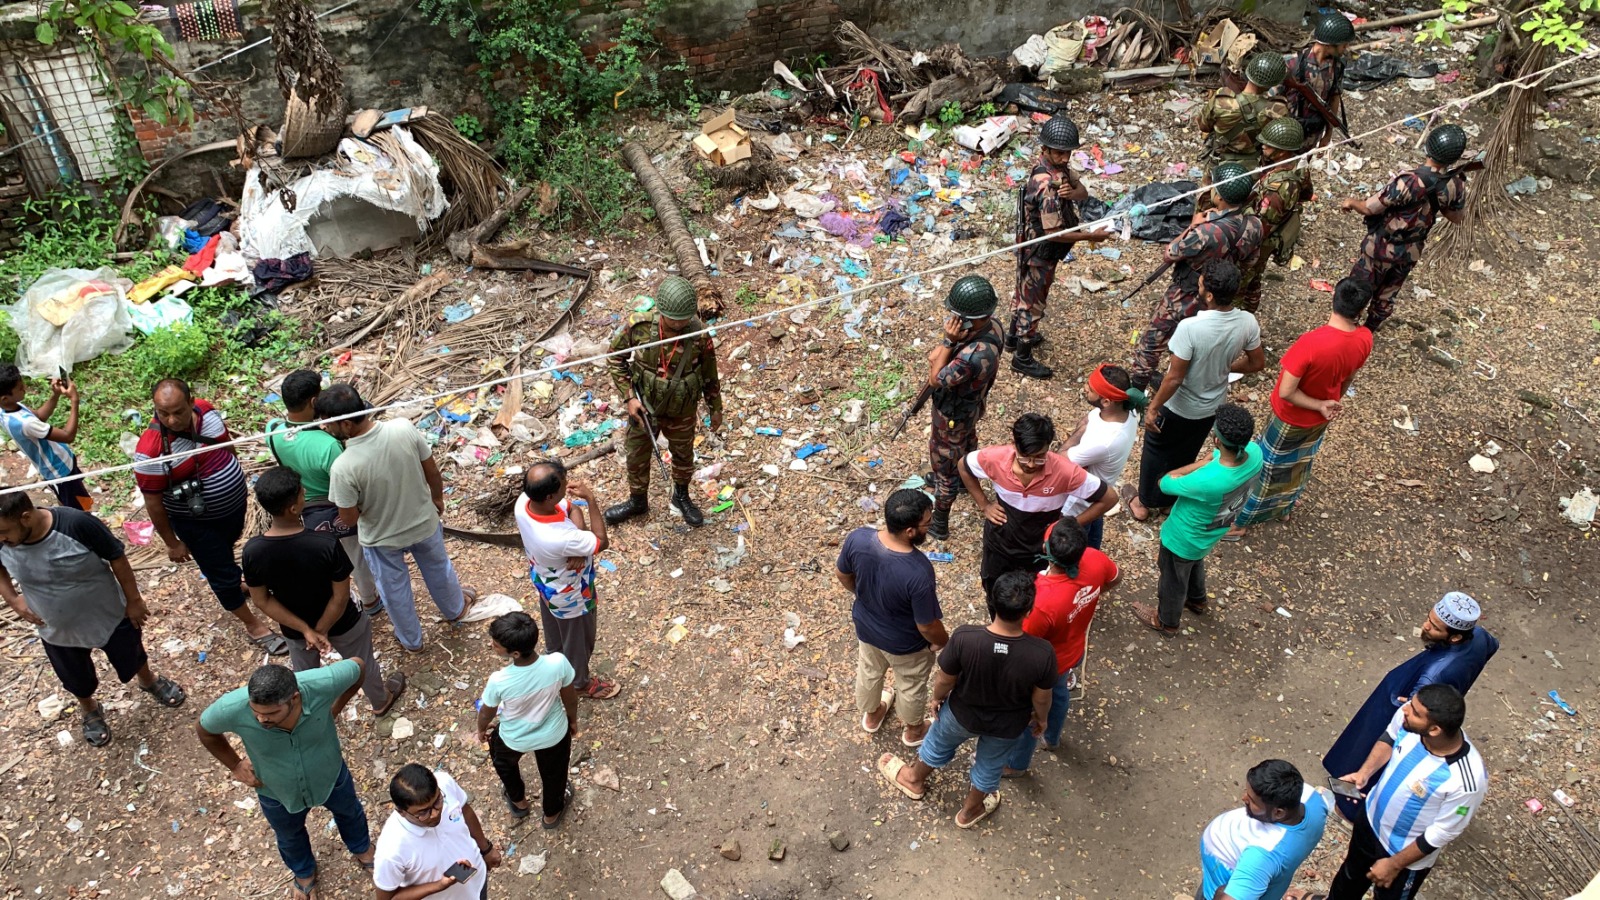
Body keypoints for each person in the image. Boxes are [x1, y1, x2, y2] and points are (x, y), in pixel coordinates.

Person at [0, 491, 185, 746]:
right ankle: (89, 707)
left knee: (131, 652)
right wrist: (12, 598)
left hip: (107, 614)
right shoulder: (3, 538)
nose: (2, 539)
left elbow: (117, 557)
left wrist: (134, 601)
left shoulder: (75, 524)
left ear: (26, 517)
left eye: (5, 532)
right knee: (75, 676)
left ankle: (148, 679)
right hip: (56, 628)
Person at [876, 570, 1056, 830]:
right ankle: (969, 811)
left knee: (938, 742)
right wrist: (1042, 719)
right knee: (990, 765)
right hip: (1007, 725)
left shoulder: (965, 638)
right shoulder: (1042, 653)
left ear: (992, 603)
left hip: (961, 714)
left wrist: (936, 699)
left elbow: (945, 679)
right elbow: (1042, 697)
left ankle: (913, 778)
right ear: (1029, 611)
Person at [197, 662, 376, 900]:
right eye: (256, 711)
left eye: (271, 713)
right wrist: (235, 764)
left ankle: (362, 849)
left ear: (295, 698)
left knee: (349, 812)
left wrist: (334, 708)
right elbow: (204, 729)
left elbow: (359, 667)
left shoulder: (322, 683)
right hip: (276, 790)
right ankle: (303, 873)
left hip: (330, 774)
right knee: (289, 834)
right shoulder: (232, 706)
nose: (261, 719)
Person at [134, 378, 287, 655]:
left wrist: (232, 474)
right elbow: (153, 502)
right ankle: (254, 626)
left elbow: (226, 446)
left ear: (191, 403)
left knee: (225, 555)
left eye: (178, 411)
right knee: (220, 573)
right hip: (196, 524)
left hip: (230, 511)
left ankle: (235, 581)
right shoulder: (150, 451)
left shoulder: (207, 413)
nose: (171, 419)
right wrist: (172, 542)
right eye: (162, 413)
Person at [320, 384, 476, 654]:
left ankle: (411, 640)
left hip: (382, 539)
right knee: (439, 568)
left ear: (345, 424)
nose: (326, 428)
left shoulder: (343, 467)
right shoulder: (403, 427)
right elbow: (432, 471)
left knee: (394, 590)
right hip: (423, 523)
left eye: (328, 424)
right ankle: (455, 608)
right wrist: (437, 500)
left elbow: (349, 518)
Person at [242, 467, 406, 717]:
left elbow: (262, 600)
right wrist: (321, 630)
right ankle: (380, 701)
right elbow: (340, 596)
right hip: (344, 623)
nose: (305, 494)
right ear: (293, 509)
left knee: (306, 676)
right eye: (301, 493)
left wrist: (306, 631)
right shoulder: (325, 543)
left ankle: (314, 713)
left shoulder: (253, 551)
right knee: (362, 663)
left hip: (295, 631)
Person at [1323, 592, 1498, 822]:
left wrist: (1404, 706)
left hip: (1394, 704)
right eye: (1429, 619)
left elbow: (1408, 716)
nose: (1425, 626)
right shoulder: (1479, 637)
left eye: (1434, 628)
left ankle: (1347, 808)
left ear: (1454, 637)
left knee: (1370, 748)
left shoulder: (1432, 676)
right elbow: (1493, 646)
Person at [1228, 279, 1374, 541]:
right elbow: (1348, 376)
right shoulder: (1364, 338)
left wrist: (1318, 404)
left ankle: (1241, 522)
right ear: (1361, 309)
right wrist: (1329, 402)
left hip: (1291, 417)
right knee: (1299, 464)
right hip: (1321, 417)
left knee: (1267, 467)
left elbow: (1286, 391)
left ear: (1334, 300)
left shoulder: (1311, 343)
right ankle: (1284, 508)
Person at [1132, 261, 1265, 522]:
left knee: (1156, 449)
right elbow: (1256, 362)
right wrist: (1226, 367)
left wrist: (1154, 407)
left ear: (1210, 295)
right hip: (1211, 407)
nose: (1198, 285)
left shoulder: (1190, 328)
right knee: (1187, 450)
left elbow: (1174, 378)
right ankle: (1171, 500)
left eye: (1202, 283)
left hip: (1180, 406)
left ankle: (1145, 502)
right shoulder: (1247, 322)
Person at [1327, 684, 1488, 899]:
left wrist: (1394, 865)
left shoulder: (1466, 780)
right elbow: (1390, 737)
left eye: (1415, 712)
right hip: (1369, 822)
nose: (1405, 708)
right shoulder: (1408, 720)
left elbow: (1443, 831)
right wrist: (1364, 773)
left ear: (1434, 730)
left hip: (1401, 856)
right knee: (1347, 880)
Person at [1129, 164, 1264, 390]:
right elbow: (1251, 261)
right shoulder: (1254, 225)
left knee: (1153, 342)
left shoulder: (1205, 231)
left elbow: (1171, 252)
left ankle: (1137, 390)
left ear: (1218, 195)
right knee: (1199, 342)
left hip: (1187, 292)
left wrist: (1192, 226)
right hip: (1218, 295)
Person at [603, 275, 722, 528]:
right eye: (673, 320)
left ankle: (681, 496)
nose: (679, 325)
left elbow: (710, 374)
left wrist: (716, 409)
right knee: (636, 454)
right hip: (645, 406)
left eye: (684, 320)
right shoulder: (640, 327)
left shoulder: (698, 335)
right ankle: (637, 501)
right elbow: (615, 358)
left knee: (682, 455)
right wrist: (629, 398)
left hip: (682, 409)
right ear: (661, 311)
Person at [1131, 404, 1262, 634]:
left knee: (1172, 579)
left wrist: (1202, 463)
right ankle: (1197, 600)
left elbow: (1166, 482)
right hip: (1212, 531)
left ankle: (1166, 621)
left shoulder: (1209, 479)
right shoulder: (1256, 455)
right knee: (1194, 562)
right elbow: (1222, 456)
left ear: (1217, 440)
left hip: (1182, 536)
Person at [1001, 519, 1118, 776]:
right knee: (1061, 693)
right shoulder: (1096, 559)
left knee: (1032, 712)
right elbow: (1113, 579)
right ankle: (1052, 739)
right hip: (1074, 648)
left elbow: (1024, 647)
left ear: (1046, 547)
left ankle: (1017, 764)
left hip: (1047, 664)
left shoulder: (1040, 601)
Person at [957, 413, 1116, 597]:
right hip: (999, 546)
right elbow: (964, 466)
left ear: (1049, 447)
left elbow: (1109, 498)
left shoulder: (1065, 472)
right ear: (1014, 445)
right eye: (1024, 457)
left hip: (1038, 552)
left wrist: (1069, 524)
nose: (1031, 464)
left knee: (1034, 597)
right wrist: (984, 505)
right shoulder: (994, 458)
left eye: (1040, 457)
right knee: (995, 592)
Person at [1006, 114, 1115, 380]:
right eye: (1059, 153)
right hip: (1040, 249)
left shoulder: (1060, 170)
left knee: (1024, 293)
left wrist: (1071, 192)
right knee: (1033, 302)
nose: (1065, 158)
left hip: (1042, 249)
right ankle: (1022, 355)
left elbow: (1083, 193)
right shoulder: (1045, 184)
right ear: (1045, 149)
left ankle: (1011, 337)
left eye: (1068, 152)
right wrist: (1089, 236)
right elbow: (1054, 233)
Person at [838, 488, 946, 748]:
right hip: (905, 643)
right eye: (927, 523)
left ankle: (872, 714)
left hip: (866, 628)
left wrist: (865, 597)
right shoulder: (918, 570)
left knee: (869, 671)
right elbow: (927, 624)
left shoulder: (858, 538)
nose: (929, 528)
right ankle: (913, 731)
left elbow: (843, 575)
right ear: (910, 531)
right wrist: (942, 641)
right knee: (910, 684)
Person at [265, 369, 380, 613]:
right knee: (355, 556)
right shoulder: (327, 445)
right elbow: (346, 480)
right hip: (336, 505)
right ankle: (370, 600)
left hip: (307, 511)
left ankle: (340, 599)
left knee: (327, 558)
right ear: (314, 402)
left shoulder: (272, 430)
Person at [1338, 124, 1470, 332]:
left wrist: (1351, 202)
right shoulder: (1456, 184)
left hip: (1381, 247)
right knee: (1388, 293)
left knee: (1358, 287)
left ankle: (1345, 328)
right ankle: (1368, 332)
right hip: (1410, 251)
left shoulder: (1408, 181)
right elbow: (1456, 217)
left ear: (1428, 147)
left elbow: (1370, 208)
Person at [514, 459, 619, 700]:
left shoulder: (524, 503)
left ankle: (555, 664)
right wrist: (591, 500)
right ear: (550, 497)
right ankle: (580, 683)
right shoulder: (560, 537)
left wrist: (577, 546)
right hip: (572, 595)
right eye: (563, 485)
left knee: (556, 634)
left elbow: (573, 509)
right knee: (579, 641)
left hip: (546, 584)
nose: (567, 487)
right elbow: (601, 541)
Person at [475, 611, 578, 828]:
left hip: (514, 737)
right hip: (554, 734)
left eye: (496, 644)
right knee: (555, 775)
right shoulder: (558, 663)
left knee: (504, 763)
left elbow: (487, 712)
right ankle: (551, 815)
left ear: (514, 653)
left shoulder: (500, 680)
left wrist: (481, 730)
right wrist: (572, 720)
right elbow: (569, 696)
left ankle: (518, 802)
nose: (492, 646)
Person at [924, 275, 1005, 541]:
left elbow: (935, 375)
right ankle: (962, 476)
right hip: (971, 408)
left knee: (944, 468)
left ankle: (939, 522)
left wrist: (947, 342)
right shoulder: (995, 328)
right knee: (967, 444)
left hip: (952, 415)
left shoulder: (971, 357)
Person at [1196, 760, 1330, 900]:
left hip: (1222, 883)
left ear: (1278, 813)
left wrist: (1220, 895)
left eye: (1253, 801)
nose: (1243, 798)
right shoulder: (1313, 800)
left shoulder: (1263, 857)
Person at [374, 764, 502, 900]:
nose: (435, 814)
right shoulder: (391, 851)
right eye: (423, 812)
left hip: (477, 884)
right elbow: (388, 898)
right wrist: (439, 885)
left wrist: (486, 849)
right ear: (401, 812)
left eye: (438, 801)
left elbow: (465, 811)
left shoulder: (445, 783)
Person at [1063, 364, 1148, 548]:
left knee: (1074, 554)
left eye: (1091, 388)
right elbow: (1089, 418)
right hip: (1099, 496)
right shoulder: (1127, 410)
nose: (1085, 388)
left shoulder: (1104, 441)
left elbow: (1061, 460)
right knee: (1093, 546)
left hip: (1078, 506)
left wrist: (1073, 439)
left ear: (1107, 401)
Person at [1194, 52, 1288, 214]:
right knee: (1243, 213)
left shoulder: (1221, 100)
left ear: (1248, 73)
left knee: (1206, 208)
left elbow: (1203, 126)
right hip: (1252, 170)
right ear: (1274, 83)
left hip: (1218, 165)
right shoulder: (1278, 109)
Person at [1238, 118, 1314, 314]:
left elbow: (1260, 228)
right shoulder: (1299, 166)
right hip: (1274, 228)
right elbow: (1306, 194)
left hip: (1261, 240)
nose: (1262, 146)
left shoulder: (1277, 188)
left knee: (1241, 282)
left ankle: (1238, 321)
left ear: (1281, 151)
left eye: (1268, 145)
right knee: (1254, 279)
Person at [0, 365, 91, 510]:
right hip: (59, 470)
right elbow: (68, 436)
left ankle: (77, 515)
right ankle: (85, 523)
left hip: (61, 462)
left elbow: (39, 416)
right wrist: (74, 401)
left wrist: (55, 395)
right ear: (5, 398)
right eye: (19, 387)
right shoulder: (25, 424)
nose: (24, 387)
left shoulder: (7, 408)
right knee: (78, 506)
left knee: (73, 497)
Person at [1285, 14, 1354, 150]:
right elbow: (1271, 100)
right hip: (1286, 133)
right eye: (1343, 44)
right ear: (1329, 45)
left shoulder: (1337, 66)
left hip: (1313, 132)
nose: (1346, 47)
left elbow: (1333, 99)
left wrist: (1328, 135)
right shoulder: (1293, 63)